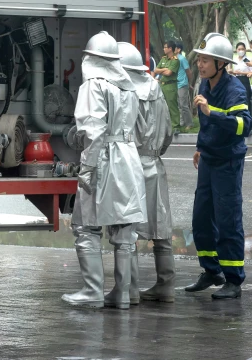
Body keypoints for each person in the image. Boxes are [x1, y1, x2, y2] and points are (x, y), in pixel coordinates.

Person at [62, 31, 146, 310]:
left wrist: (87, 167)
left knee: (86, 225)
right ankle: (122, 294)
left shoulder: (94, 85)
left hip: (104, 159)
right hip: (128, 157)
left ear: (91, 59)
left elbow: (93, 130)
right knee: (124, 230)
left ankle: (92, 290)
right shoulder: (128, 86)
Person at [185, 32, 252, 300]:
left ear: (221, 63)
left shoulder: (235, 89)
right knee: (201, 219)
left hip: (228, 162)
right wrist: (201, 148)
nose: (200, 65)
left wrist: (213, 112)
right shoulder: (205, 86)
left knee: (228, 220)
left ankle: (233, 280)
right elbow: (206, 124)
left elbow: (243, 125)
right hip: (209, 159)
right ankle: (212, 271)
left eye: (205, 60)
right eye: (199, 59)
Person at [118, 42, 176, 304]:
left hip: (130, 164)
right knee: (160, 227)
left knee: (125, 230)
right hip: (155, 162)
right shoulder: (157, 89)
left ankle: (130, 290)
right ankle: (166, 286)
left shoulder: (124, 91)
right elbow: (169, 133)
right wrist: (155, 152)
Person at [154, 40, 181, 133]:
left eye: (165, 47)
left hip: (170, 86)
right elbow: (155, 70)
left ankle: (176, 126)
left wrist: (162, 70)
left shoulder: (175, 60)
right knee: (162, 106)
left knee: (172, 106)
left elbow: (169, 73)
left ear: (170, 49)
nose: (164, 49)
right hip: (162, 85)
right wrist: (164, 69)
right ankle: (165, 126)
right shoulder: (163, 59)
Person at [175, 42, 194, 131]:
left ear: (178, 49)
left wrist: (189, 83)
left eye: (174, 48)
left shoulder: (182, 59)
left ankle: (189, 123)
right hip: (176, 84)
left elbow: (188, 72)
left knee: (184, 105)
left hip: (182, 84)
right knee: (179, 105)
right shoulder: (172, 59)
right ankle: (182, 122)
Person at [229, 42, 252, 109]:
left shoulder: (247, 60)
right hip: (236, 80)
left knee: (246, 98)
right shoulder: (235, 60)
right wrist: (233, 72)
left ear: (245, 50)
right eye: (239, 49)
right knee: (237, 99)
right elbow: (235, 72)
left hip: (245, 80)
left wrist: (242, 73)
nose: (241, 51)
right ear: (236, 50)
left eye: (242, 49)